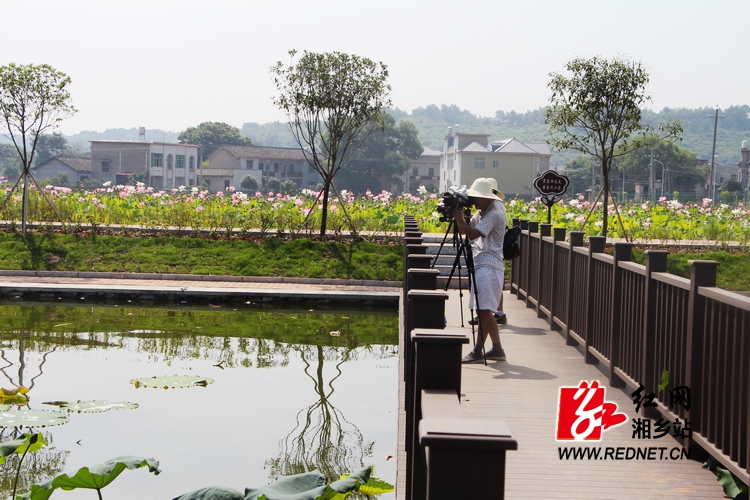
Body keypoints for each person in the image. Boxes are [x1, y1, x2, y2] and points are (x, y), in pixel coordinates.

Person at [450, 178, 508, 363]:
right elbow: (466, 230)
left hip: (490, 265)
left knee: (483, 310)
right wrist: (460, 216)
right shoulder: (482, 212)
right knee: (485, 310)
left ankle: (477, 350)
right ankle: (497, 349)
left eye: (477, 197)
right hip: (482, 263)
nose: (474, 200)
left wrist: (459, 217)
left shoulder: (495, 214)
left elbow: (473, 234)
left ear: (488, 198)